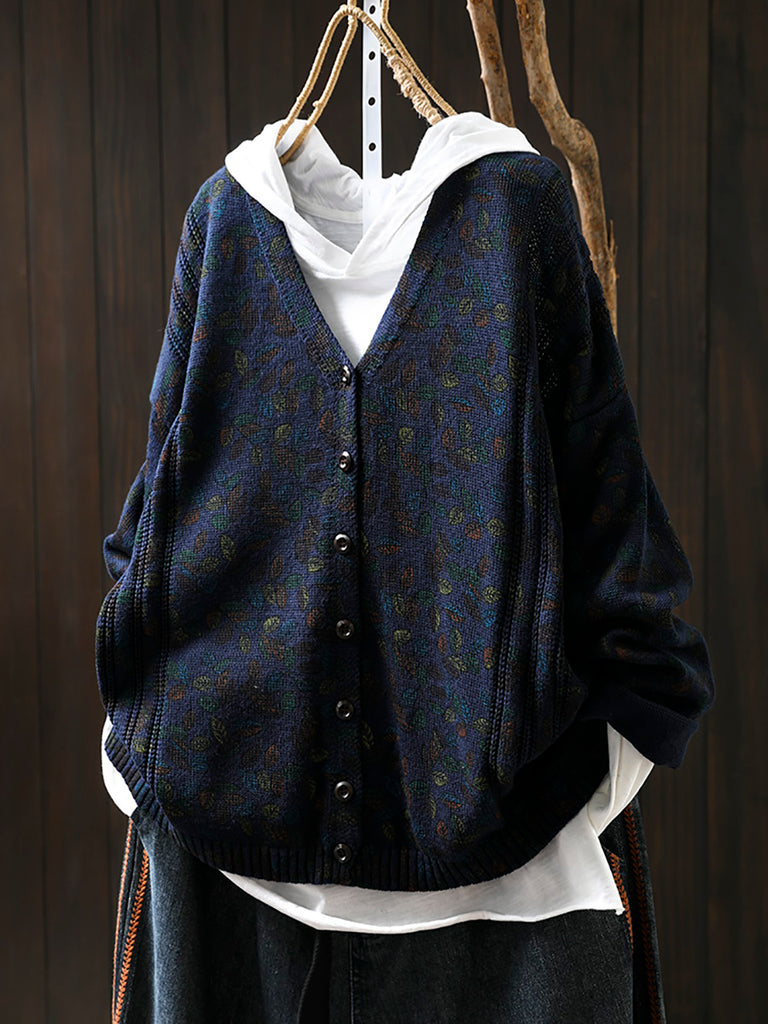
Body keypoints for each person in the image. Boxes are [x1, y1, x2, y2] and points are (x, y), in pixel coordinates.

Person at [97, 112, 715, 1023]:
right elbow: (152, 538)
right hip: (222, 869)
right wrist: (141, 746)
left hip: (514, 897)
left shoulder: (518, 218)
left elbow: (618, 532)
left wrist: (586, 783)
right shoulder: (224, 225)